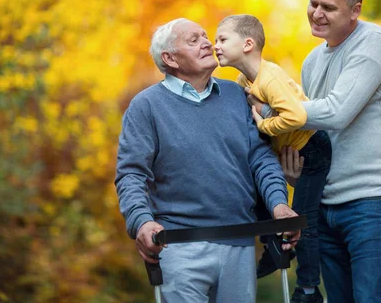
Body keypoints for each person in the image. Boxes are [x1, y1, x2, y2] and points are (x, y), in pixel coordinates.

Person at [248, 0, 381, 303]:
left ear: (355, 10)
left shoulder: (373, 42)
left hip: (371, 202)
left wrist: (273, 113)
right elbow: (314, 136)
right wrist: (297, 174)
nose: (317, 13)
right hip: (323, 207)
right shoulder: (312, 61)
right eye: (313, 3)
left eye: (329, 8)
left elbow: (337, 112)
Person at [115, 18, 300, 303]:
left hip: (239, 242)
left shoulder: (237, 95)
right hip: (178, 247)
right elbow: (131, 174)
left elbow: (261, 158)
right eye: (194, 40)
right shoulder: (146, 106)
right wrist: (141, 222)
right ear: (170, 58)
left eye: (205, 36)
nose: (207, 43)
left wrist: (279, 205)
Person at [214, 14, 332, 303]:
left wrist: (265, 125)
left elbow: (297, 116)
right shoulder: (245, 79)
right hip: (292, 148)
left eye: (222, 39)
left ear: (248, 44)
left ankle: (308, 289)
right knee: (254, 190)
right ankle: (273, 244)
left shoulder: (270, 77)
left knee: (304, 218)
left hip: (312, 146)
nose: (214, 45)